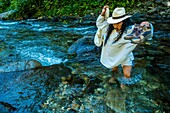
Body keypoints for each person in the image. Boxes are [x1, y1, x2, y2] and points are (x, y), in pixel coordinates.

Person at [94, 6, 153, 85]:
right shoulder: (108, 28)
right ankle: (114, 79)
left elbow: (148, 33)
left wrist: (147, 26)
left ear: (124, 21)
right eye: (114, 23)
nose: (115, 25)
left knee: (127, 75)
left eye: (118, 23)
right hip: (112, 55)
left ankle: (123, 90)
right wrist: (102, 13)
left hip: (125, 54)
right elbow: (99, 24)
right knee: (114, 70)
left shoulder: (130, 30)